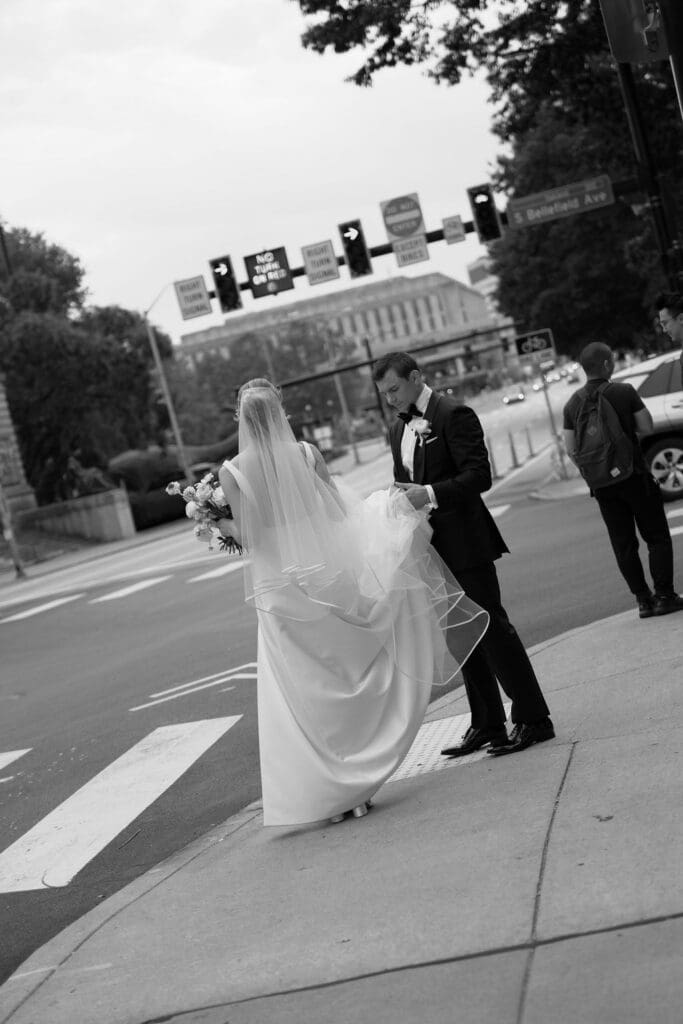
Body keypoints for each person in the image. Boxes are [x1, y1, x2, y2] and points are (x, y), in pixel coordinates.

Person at [217, 379, 489, 828]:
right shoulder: (306, 453)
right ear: (280, 413)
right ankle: (362, 782)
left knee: (304, 691)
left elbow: (249, 536)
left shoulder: (233, 472)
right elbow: (337, 514)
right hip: (327, 575)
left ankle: (329, 791)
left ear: (242, 421)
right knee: (346, 671)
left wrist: (216, 521)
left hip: (281, 590)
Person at [372, 352, 554, 759]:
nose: (390, 400)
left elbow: (479, 475)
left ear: (416, 377)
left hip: (467, 541)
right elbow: (410, 481)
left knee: (492, 629)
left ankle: (534, 719)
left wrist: (431, 493)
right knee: (462, 637)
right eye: (384, 394)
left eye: (395, 389)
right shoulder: (395, 430)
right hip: (430, 548)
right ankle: (487, 723)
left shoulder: (453, 413)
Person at [563, 341, 683, 618]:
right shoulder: (623, 391)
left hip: (603, 486)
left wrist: (597, 470)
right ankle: (665, 595)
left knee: (623, 543)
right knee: (656, 537)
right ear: (606, 364)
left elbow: (571, 449)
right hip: (635, 477)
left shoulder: (572, 404)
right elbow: (647, 426)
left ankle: (643, 601)